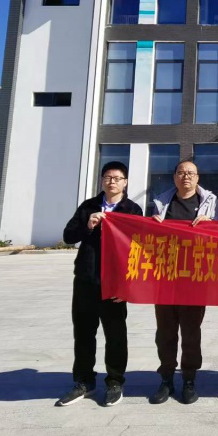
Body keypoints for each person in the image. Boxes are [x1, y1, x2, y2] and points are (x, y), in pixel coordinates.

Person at [57, 161, 143, 408]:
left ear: (125, 182)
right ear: (102, 180)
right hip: (86, 279)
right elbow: (68, 236)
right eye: (107, 177)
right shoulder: (89, 206)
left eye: (117, 178)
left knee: (115, 334)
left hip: (115, 283)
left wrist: (127, 285)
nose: (112, 181)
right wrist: (88, 224)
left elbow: (139, 249)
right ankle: (84, 381)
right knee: (84, 332)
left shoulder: (132, 210)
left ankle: (115, 381)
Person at [148, 159, 218, 405]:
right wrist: (152, 226)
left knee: (191, 333)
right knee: (165, 333)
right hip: (165, 278)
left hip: (195, 278)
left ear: (198, 178)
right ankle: (166, 379)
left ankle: (189, 379)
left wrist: (212, 225)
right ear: (174, 177)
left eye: (190, 173)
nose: (185, 176)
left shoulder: (209, 202)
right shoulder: (161, 203)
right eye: (181, 172)